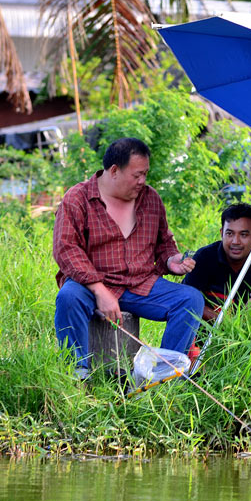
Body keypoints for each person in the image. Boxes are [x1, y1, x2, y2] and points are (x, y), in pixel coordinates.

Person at [53, 138, 204, 378]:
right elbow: (66, 249)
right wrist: (100, 290)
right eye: (137, 175)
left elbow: (164, 242)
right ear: (114, 171)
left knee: (191, 300)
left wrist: (170, 260)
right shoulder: (77, 198)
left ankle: (162, 373)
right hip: (91, 285)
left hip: (140, 284)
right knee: (68, 297)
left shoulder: (150, 198)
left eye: (145, 173)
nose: (142, 181)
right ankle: (77, 371)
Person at [183, 203, 251, 322]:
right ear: (221, 233)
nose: (235, 241)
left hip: (250, 330)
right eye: (229, 233)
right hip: (205, 330)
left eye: (244, 235)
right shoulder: (204, 257)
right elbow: (185, 300)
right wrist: (224, 322)